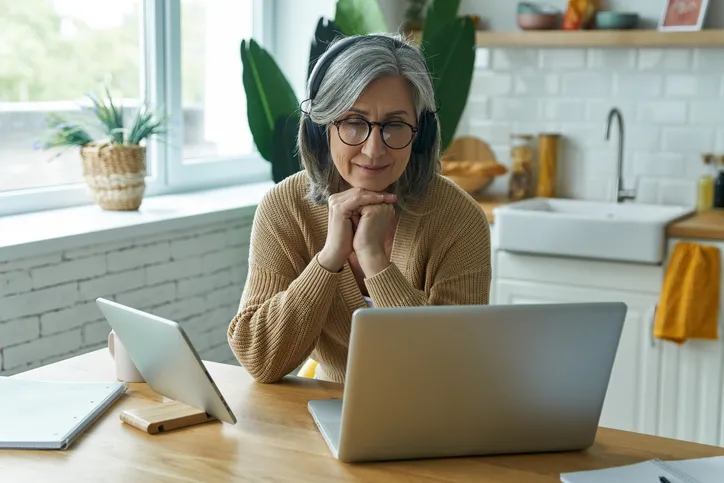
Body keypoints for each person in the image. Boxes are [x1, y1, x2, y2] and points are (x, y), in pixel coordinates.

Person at [228, 33, 491, 384]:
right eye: (353, 123)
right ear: (324, 129)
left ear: (421, 133)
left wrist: (375, 262)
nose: (373, 150)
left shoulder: (459, 219)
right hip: (323, 413)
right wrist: (329, 258)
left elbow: (450, 372)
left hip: (432, 422)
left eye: (395, 125)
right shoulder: (285, 207)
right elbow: (259, 359)